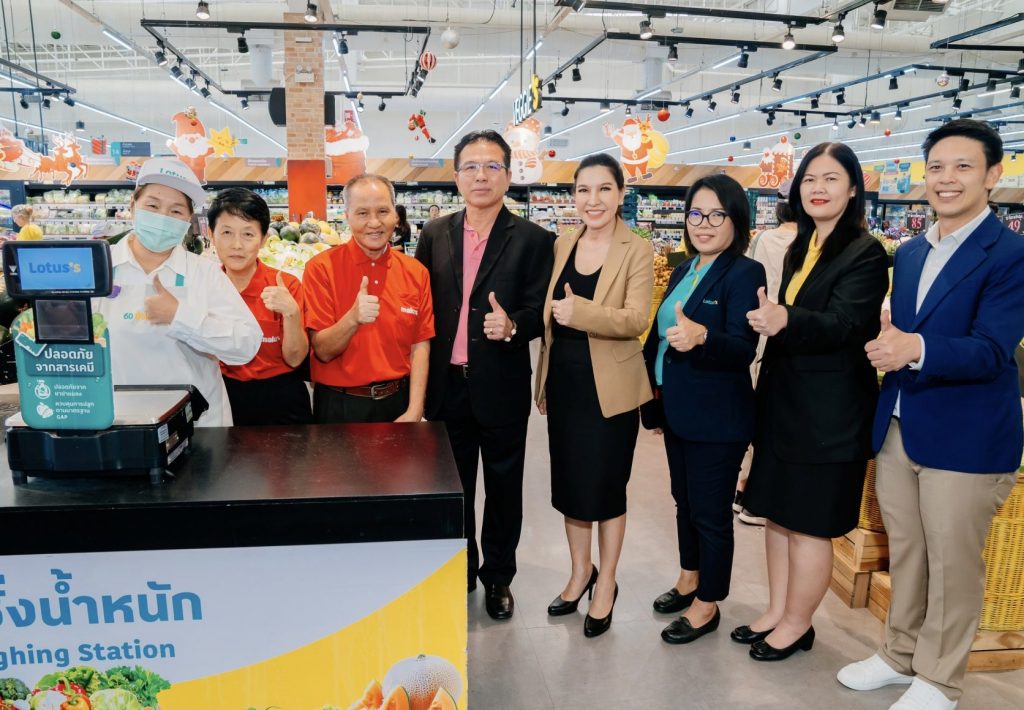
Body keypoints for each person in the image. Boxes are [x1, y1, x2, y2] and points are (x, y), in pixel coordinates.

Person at [839, 119, 1024, 710]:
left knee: (953, 562)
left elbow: (992, 349)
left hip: (967, 435)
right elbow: (904, 329)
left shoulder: (1011, 254)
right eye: (937, 166)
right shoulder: (914, 250)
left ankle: (940, 679)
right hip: (902, 423)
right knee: (909, 551)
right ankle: (899, 654)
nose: (947, 178)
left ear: (993, 175)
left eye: (963, 166)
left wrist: (914, 348)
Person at [738, 142, 889, 661]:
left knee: (809, 525)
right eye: (809, 180)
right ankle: (777, 610)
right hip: (784, 404)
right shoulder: (802, 245)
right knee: (777, 517)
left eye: (830, 179)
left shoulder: (865, 252)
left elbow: (847, 325)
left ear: (853, 189)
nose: (818, 189)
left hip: (829, 415)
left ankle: (798, 624)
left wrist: (786, 319)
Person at [415, 130, 553, 620]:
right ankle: (461, 569)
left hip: (501, 384)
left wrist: (514, 326)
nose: (481, 175)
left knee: (503, 489)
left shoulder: (535, 240)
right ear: (456, 178)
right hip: (446, 386)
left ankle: (498, 577)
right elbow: (420, 306)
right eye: (471, 166)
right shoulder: (434, 234)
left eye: (492, 166)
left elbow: (541, 311)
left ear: (508, 176)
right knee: (454, 490)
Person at [641, 174, 766, 645]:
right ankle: (689, 577)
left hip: (718, 417)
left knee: (711, 513)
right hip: (676, 408)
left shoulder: (745, 272)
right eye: (696, 213)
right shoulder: (684, 268)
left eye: (717, 214)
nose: (704, 223)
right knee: (685, 502)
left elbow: (743, 348)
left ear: (737, 220)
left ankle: (708, 603)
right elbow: (659, 339)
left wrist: (704, 337)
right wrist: (652, 398)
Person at [534, 153, 653, 638]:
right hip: (565, 383)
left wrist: (581, 312)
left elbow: (636, 318)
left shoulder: (637, 248)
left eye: (604, 189)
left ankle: (606, 582)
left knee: (605, 488)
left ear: (621, 194)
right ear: (574, 196)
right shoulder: (564, 243)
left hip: (611, 391)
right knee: (570, 487)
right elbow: (549, 322)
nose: (593, 200)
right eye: (583, 190)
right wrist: (543, 381)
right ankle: (580, 572)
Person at [92, 157, 262, 426]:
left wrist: (180, 316)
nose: (162, 217)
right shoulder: (97, 267)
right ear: (133, 206)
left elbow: (246, 344)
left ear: (187, 220)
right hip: (116, 422)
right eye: (152, 206)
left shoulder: (203, 273)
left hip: (196, 426)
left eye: (175, 211)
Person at [303, 174, 433, 424]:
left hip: (398, 403)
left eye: (383, 211)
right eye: (362, 213)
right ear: (347, 216)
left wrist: (415, 410)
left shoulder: (416, 272)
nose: (374, 222)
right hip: (339, 406)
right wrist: (352, 318)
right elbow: (323, 351)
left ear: (396, 215)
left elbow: (420, 346)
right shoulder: (321, 269)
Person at [210, 187, 312, 425]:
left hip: (281, 400)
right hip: (223, 396)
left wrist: (292, 313)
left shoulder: (285, 285)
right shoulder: (204, 286)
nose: (237, 245)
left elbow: (295, 359)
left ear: (264, 239)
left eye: (248, 234)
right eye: (227, 232)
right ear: (211, 235)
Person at [736, 181, 799, 526]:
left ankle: (745, 486)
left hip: (760, 331)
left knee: (756, 407)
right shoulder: (811, 243)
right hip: (792, 332)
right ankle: (761, 493)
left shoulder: (762, 239)